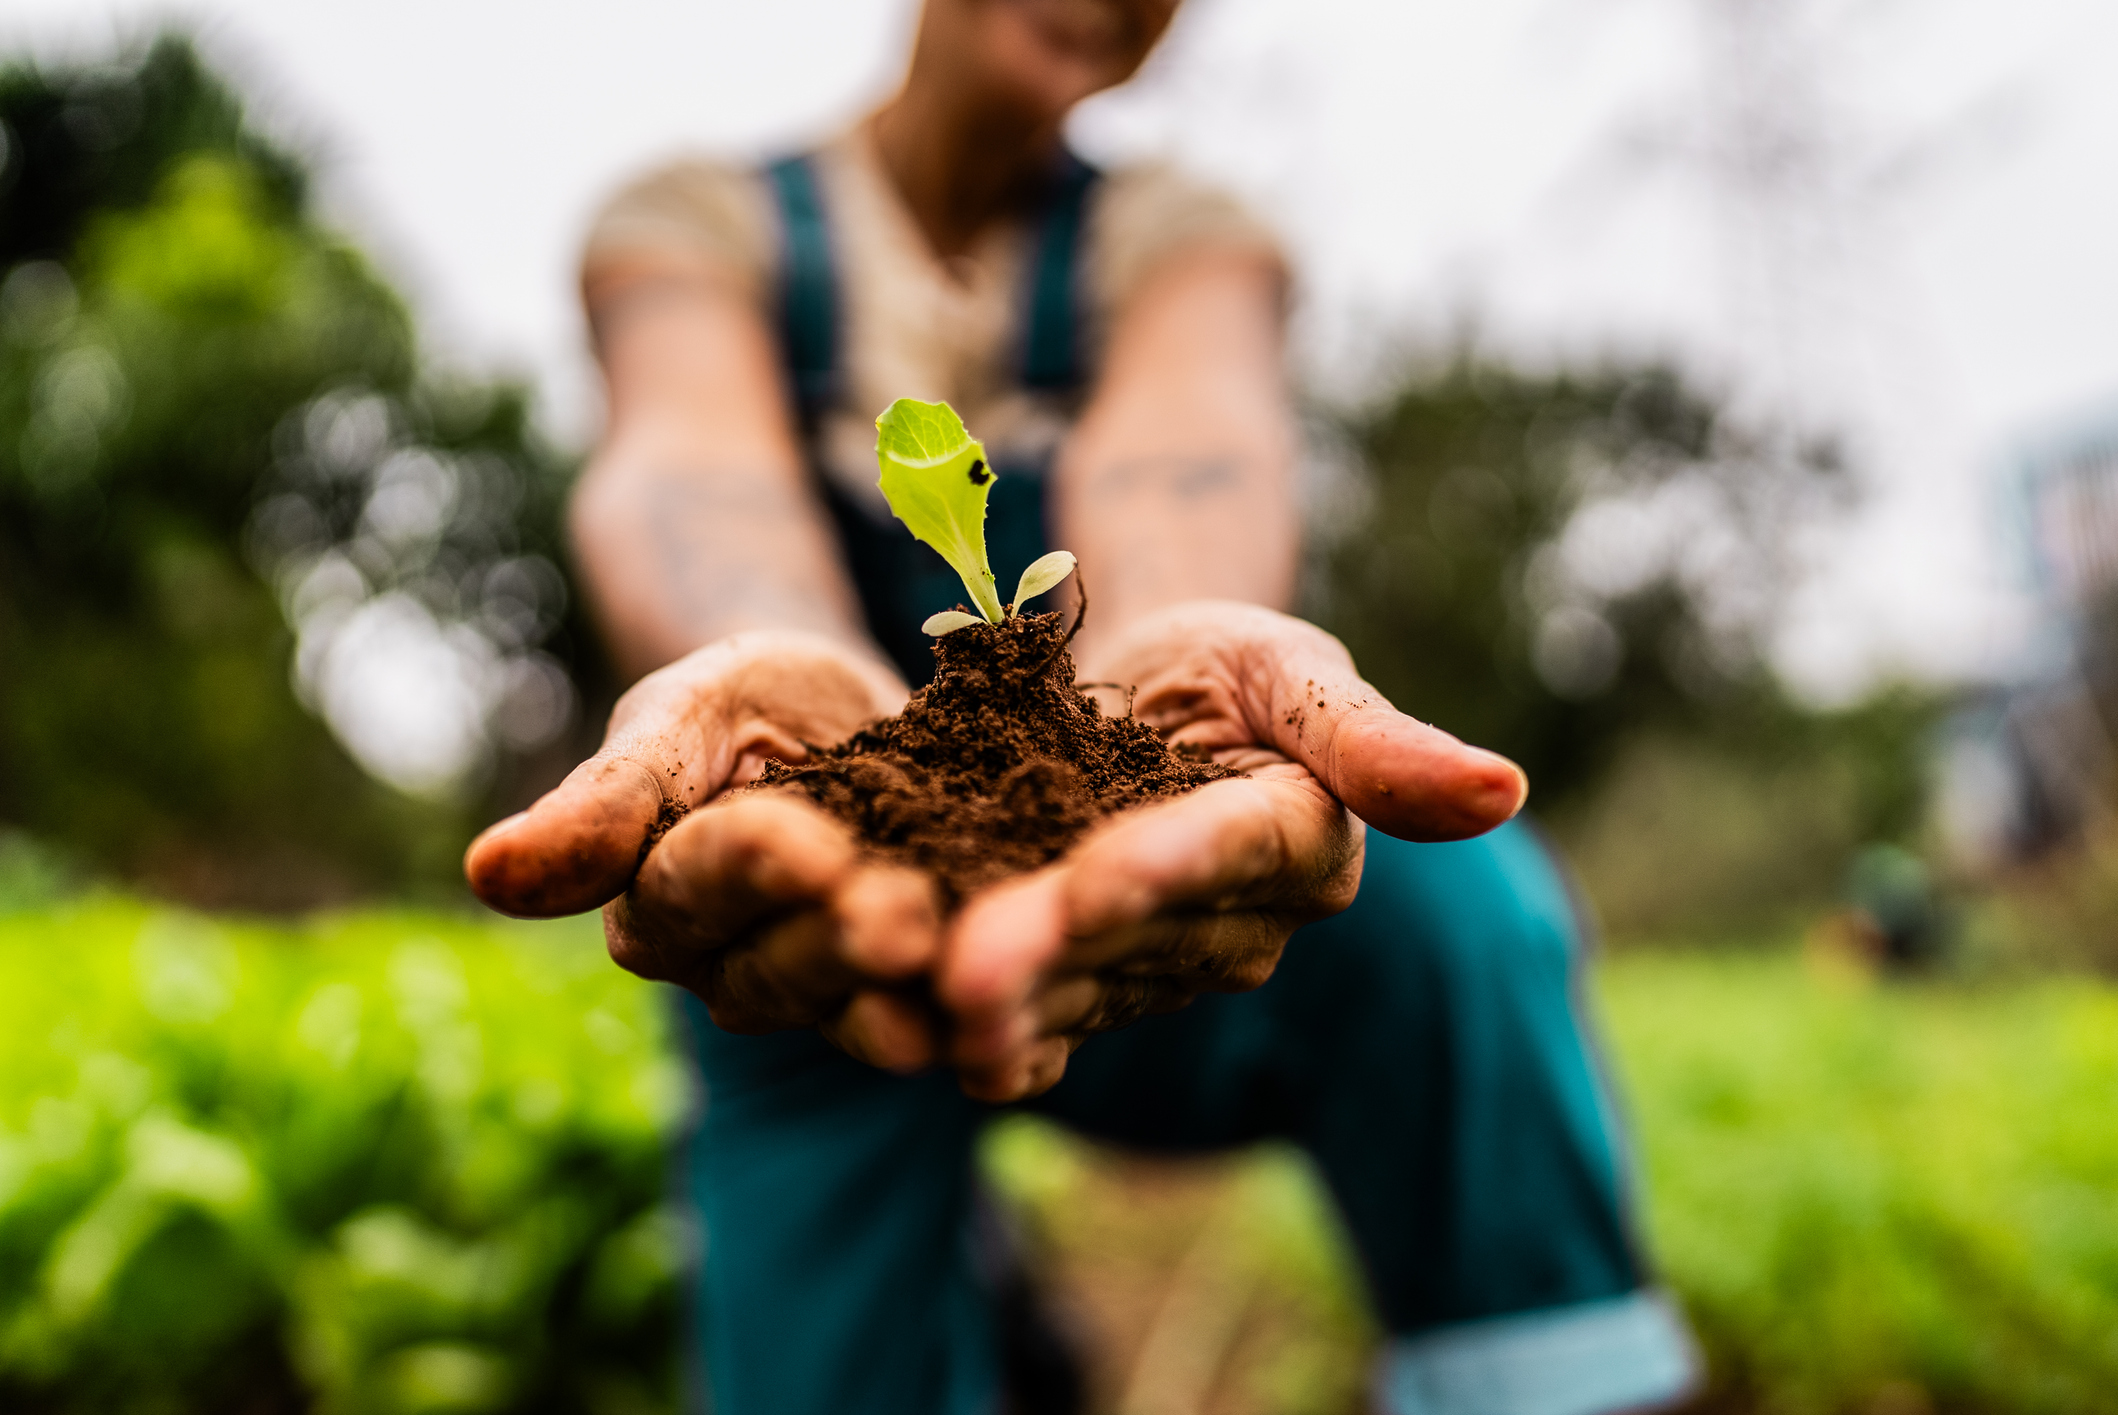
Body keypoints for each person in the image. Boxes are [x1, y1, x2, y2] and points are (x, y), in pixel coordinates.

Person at [467, 1, 1699, 1411]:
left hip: (1128, 867)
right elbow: (693, 469)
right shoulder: (699, 220)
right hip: (807, 917)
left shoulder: (1177, 232)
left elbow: (1185, 451)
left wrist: (1167, 644)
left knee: (1457, 902)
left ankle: (1553, 1376)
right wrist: (775, 676)